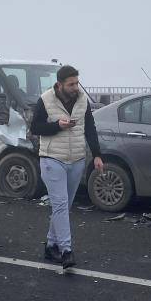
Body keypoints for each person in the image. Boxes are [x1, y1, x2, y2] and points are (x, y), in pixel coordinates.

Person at [30, 65, 104, 268]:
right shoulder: (45, 99)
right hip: (52, 158)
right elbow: (35, 128)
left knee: (64, 206)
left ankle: (50, 245)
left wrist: (97, 155)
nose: (75, 87)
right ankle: (66, 250)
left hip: (77, 159)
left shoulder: (82, 100)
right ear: (60, 84)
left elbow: (90, 127)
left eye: (77, 83)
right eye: (71, 84)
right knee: (61, 204)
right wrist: (57, 126)